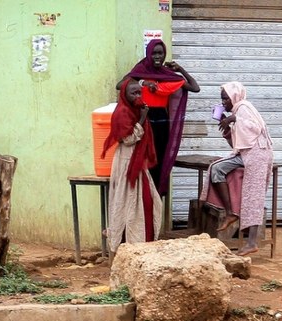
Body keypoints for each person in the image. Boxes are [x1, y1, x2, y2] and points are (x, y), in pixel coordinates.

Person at [117, 39, 199, 197]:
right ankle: (142, 197)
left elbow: (195, 87)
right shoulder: (140, 69)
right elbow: (120, 84)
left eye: (160, 53)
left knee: (159, 159)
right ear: (148, 54)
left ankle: (156, 198)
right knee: (144, 158)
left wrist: (181, 69)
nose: (157, 56)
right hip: (144, 118)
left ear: (164, 54)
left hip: (162, 121)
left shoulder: (168, 75)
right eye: (154, 53)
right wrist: (143, 82)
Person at [203, 81, 273, 256]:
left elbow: (255, 128)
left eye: (226, 99)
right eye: (222, 99)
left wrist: (234, 119)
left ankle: (251, 242)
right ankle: (231, 212)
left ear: (235, 97)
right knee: (216, 169)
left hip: (259, 154)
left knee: (253, 196)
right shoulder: (237, 112)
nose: (224, 102)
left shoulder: (244, 107)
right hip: (246, 154)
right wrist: (225, 124)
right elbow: (237, 143)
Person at [101, 79, 163, 253]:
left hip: (138, 162)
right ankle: (128, 246)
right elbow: (127, 139)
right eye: (133, 93)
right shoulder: (122, 112)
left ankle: (143, 243)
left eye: (139, 93)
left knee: (146, 202)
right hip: (127, 162)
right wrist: (143, 118)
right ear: (125, 95)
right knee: (128, 203)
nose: (137, 96)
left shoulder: (136, 109)